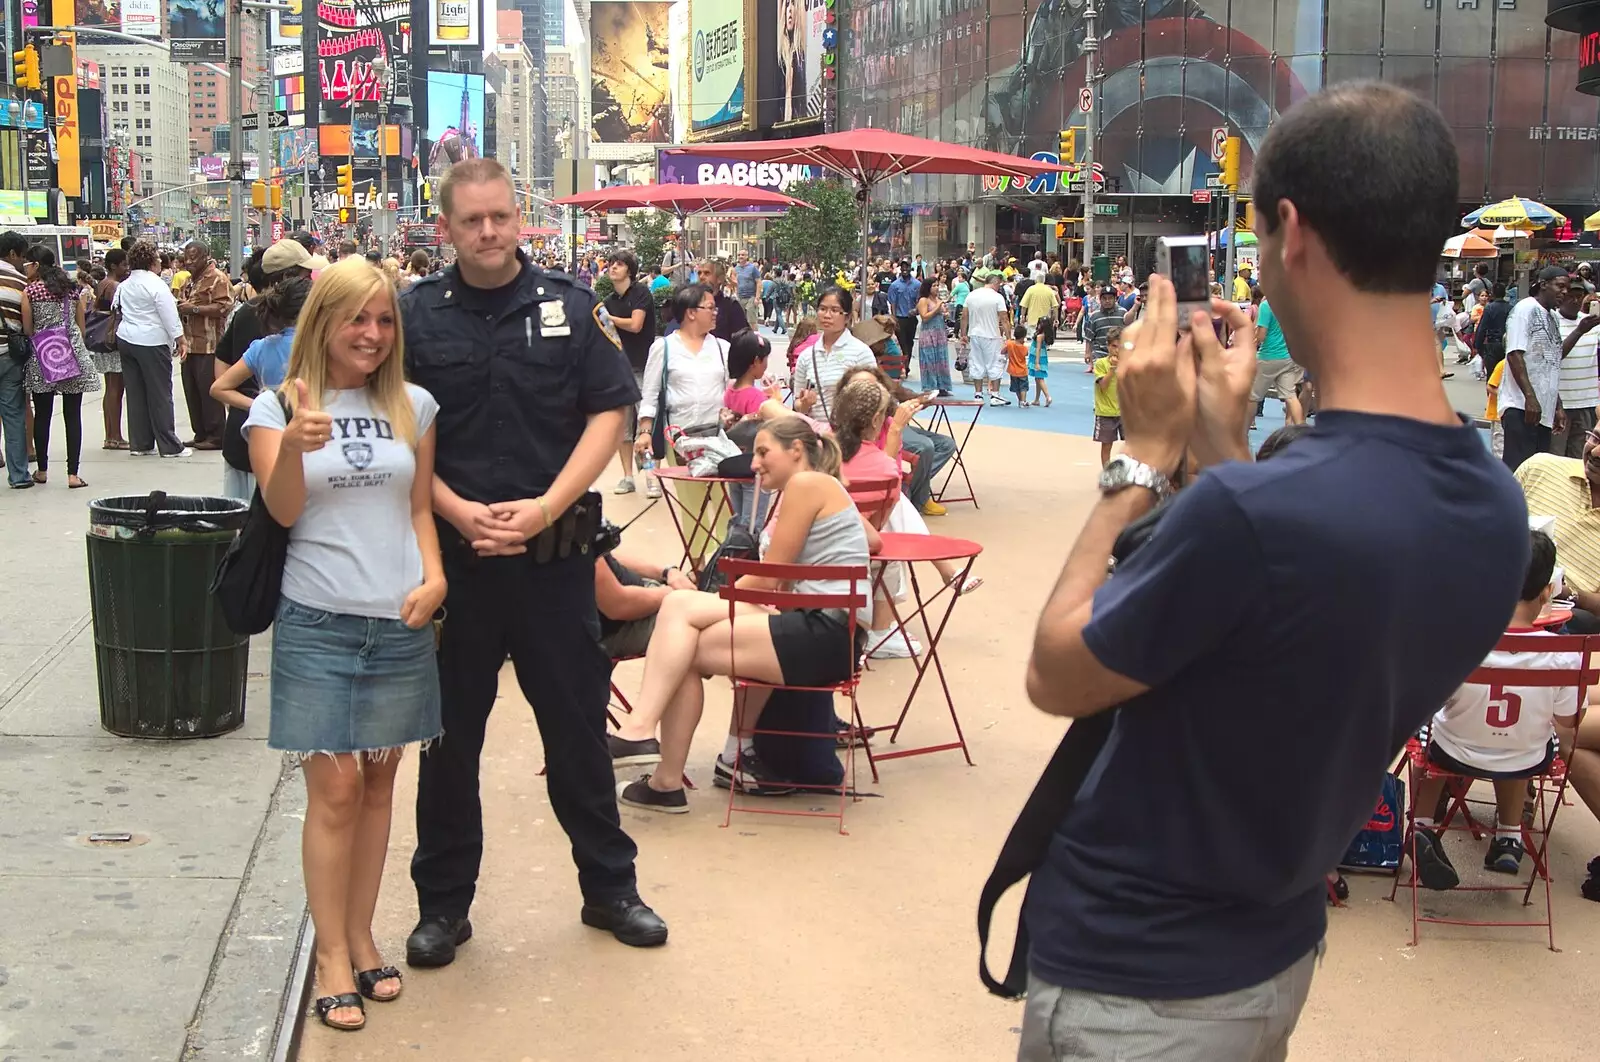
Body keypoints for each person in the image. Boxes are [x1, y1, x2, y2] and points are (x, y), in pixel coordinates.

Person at [1017, 82, 1527, 1062]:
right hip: (1268, 951)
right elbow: (1300, 615)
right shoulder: (1492, 508)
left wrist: (1139, 458)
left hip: (1135, 979)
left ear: (1289, 232)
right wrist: (1220, 449)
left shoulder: (1253, 514)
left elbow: (1055, 670)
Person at [398, 158, 666, 968]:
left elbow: (609, 412)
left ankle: (610, 889)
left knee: (579, 731)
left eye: (500, 218)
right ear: (445, 229)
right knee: (449, 743)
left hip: (554, 563)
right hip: (456, 566)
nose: (488, 233)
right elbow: (395, 427)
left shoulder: (569, 306)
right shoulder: (413, 318)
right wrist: (455, 509)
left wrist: (547, 507)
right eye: (471, 221)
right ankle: (444, 907)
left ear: (521, 219)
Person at [241, 257, 444, 1033]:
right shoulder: (274, 407)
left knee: (382, 789)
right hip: (318, 622)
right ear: (324, 320)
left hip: (400, 622)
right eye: (357, 318)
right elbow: (285, 510)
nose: (372, 333)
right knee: (334, 793)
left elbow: (419, 507)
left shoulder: (415, 406)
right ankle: (332, 954)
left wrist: (436, 579)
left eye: (384, 319)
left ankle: (362, 934)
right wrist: (294, 441)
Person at [608, 415, 879, 810]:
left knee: (678, 620)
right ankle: (719, 760)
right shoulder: (819, 488)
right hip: (831, 629)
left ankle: (645, 740)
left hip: (825, 633)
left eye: (763, 452)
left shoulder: (807, 485)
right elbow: (871, 540)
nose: (754, 464)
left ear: (797, 450)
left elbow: (770, 578)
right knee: (679, 638)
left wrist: (712, 596)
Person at [1406, 530, 1581, 889]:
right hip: (1527, 759)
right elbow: (1567, 722)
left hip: (1454, 752)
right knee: (1532, 732)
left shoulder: (1461, 641)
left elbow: (1428, 700)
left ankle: (1422, 826)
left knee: (1429, 726)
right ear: (1548, 591)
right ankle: (1509, 837)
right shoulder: (1564, 653)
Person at [212, 240, 315, 499]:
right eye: (306, 274)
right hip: (290, 446)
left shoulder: (252, 321)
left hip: (247, 434)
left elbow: (220, 371)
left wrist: (256, 405)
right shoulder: (320, 341)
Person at [635, 283, 733, 553]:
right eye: (710, 307)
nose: (716, 313)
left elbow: (732, 390)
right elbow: (651, 393)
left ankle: (726, 565)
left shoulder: (723, 348)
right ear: (691, 312)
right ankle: (699, 565)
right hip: (681, 441)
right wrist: (645, 431)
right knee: (692, 509)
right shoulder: (664, 348)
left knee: (725, 503)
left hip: (719, 439)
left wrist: (733, 412)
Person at [22, 246, 100, 488]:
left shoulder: (30, 291)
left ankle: (43, 470)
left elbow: (28, 329)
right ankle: (73, 474)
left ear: (35, 265)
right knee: (72, 415)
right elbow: (81, 327)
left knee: (43, 414)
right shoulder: (72, 290)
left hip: (43, 355)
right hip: (71, 354)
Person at [113, 242, 189, 458]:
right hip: (152, 341)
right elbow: (169, 314)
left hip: (127, 338)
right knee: (160, 393)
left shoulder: (125, 284)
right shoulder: (156, 285)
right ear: (152, 261)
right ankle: (169, 445)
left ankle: (140, 443)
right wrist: (180, 338)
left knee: (135, 393)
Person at [1499, 266, 1570, 472]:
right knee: (1518, 470)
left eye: (1567, 288)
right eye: (1560, 286)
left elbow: (1551, 362)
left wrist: (1557, 405)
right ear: (1543, 284)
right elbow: (1514, 354)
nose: (1564, 292)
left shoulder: (1553, 317)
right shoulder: (1525, 309)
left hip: (1543, 410)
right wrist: (1530, 397)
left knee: (1536, 473)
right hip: (1521, 406)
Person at [604, 250, 657, 496]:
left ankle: (650, 476)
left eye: (619, 264)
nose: (613, 267)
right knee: (623, 429)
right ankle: (627, 476)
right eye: (611, 264)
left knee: (644, 427)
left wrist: (607, 319)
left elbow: (636, 325)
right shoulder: (608, 301)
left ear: (630, 270)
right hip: (618, 370)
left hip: (643, 368)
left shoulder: (640, 293)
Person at [176, 241, 234, 450]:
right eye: (187, 258)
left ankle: (216, 435)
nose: (189, 262)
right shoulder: (190, 280)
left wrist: (195, 310)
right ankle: (200, 432)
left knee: (209, 391)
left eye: (194, 257)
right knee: (192, 392)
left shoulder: (217, 278)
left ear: (206, 256)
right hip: (189, 345)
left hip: (209, 346)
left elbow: (224, 307)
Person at [792, 285, 876, 422]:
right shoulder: (807, 356)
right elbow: (797, 404)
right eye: (823, 309)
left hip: (847, 437)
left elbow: (873, 400)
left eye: (835, 310)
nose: (827, 315)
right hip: (815, 437)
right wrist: (804, 404)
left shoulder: (861, 353)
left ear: (847, 317)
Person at [596, 546, 697, 661]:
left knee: (697, 621)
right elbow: (617, 605)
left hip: (637, 596)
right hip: (617, 625)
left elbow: (606, 558)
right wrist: (671, 593)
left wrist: (667, 572)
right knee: (692, 631)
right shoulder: (577, 540)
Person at [1554, 277, 1600, 458]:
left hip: (1587, 402)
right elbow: (1555, 356)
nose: (1575, 301)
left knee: (1580, 457)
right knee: (1556, 457)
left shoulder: (1592, 323)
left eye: (1579, 296)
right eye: (1570, 296)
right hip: (1560, 404)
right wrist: (1579, 331)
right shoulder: (1552, 320)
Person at [0, 232, 30, 488]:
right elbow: (27, 324)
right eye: (22, 256)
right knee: (13, 415)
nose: (23, 261)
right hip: (9, 355)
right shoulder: (21, 282)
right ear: (12, 254)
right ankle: (19, 475)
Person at [95, 248, 130, 450]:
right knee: (116, 389)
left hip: (103, 340)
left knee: (110, 388)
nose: (127, 269)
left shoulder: (102, 284)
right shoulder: (115, 286)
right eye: (124, 264)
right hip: (114, 341)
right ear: (113, 266)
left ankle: (110, 435)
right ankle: (115, 436)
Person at [961, 269, 1010, 405]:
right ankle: (995, 394)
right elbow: (1004, 318)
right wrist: (1009, 337)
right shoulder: (997, 297)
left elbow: (964, 316)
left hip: (975, 333)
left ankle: (978, 394)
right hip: (992, 335)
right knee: (995, 363)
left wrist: (963, 334)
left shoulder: (971, 295)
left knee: (977, 363)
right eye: (999, 284)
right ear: (995, 283)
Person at [1252, 297, 1304, 425]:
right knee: (1291, 396)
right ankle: (1299, 428)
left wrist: (1255, 338)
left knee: (1252, 397)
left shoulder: (1266, 306)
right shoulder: (1292, 305)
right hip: (1287, 356)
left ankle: (1245, 432)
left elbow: (1262, 335)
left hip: (1268, 356)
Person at [1091, 327, 1123, 467]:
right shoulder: (1100, 364)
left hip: (1124, 412)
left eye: (1120, 347)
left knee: (1133, 444)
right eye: (1114, 346)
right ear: (1108, 346)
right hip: (1105, 412)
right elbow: (1103, 385)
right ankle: (1107, 474)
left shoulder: (1128, 363)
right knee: (1106, 445)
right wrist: (1112, 369)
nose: (1117, 350)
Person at [916, 277, 953, 395]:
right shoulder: (923, 300)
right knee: (929, 360)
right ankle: (930, 386)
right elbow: (924, 317)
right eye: (934, 286)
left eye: (937, 285)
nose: (936, 288)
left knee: (941, 359)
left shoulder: (938, 300)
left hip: (940, 332)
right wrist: (937, 308)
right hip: (928, 333)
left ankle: (943, 386)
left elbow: (942, 315)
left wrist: (945, 314)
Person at [1080, 285, 1121, 374]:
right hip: (1100, 352)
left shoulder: (1123, 313)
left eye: (1110, 298)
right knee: (1102, 376)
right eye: (1104, 298)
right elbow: (1089, 337)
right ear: (1100, 299)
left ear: (1115, 299)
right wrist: (1087, 353)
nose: (1107, 301)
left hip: (1118, 352)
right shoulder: (1094, 316)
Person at [888, 263, 921, 360]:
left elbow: (920, 300)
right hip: (900, 318)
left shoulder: (917, 284)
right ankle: (904, 364)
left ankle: (907, 364)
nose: (905, 269)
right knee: (902, 343)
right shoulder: (895, 285)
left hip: (912, 318)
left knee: (909, 342)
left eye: (907, 267)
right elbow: (892, 302)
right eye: (903, 268)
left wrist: (916, 310)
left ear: (910, 269)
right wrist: (894, 318)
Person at [1005, 324, 1031, 407]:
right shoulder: (1024, 348)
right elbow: (1026, 354)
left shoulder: (1009, 344)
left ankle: (1020, 400)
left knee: (1016, 387)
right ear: (1023, 337)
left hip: (1012, 370)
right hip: (1022, 370)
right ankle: (1023, 401)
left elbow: (1003, 351)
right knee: (1023, 387)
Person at [1029, 318, 1052, 408]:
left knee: (1039, 378)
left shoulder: (1039, 336)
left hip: (1038, 357)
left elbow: (1038, 349)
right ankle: (1037, 399)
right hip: (1042, 357)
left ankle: (1047, 396)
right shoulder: (1045, 335)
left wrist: (1037, 362)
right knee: (1037, 378)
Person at [734, 250, 762, 326]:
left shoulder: (752, 268)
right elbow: (736, 282)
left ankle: (755, 337)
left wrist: (757, 297)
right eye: (739, 255)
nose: (740, 256)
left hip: (751, 297)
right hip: (740, 297)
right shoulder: (736, 268)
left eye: (742, 255)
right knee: (740, 321)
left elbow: (758, 282)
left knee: (751, 321)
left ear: (747, 256)